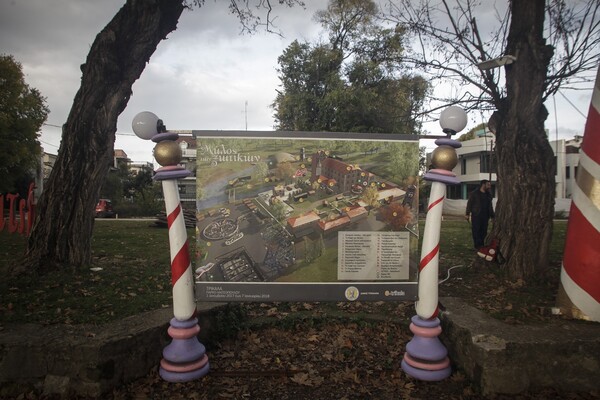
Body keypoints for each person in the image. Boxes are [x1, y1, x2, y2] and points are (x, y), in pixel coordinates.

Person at [465, 180, 495, 249]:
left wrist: (492, 216)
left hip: (486, 215)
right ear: (483, 184)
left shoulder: (489, 195)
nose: (489, 186)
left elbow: (490, 206)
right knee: (476, 230)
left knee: (484, 231)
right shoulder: (474, 193)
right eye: (488, 185)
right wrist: (467, 213)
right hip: (476, 214)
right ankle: (477, 245)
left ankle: (481, 244)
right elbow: (469, 204)